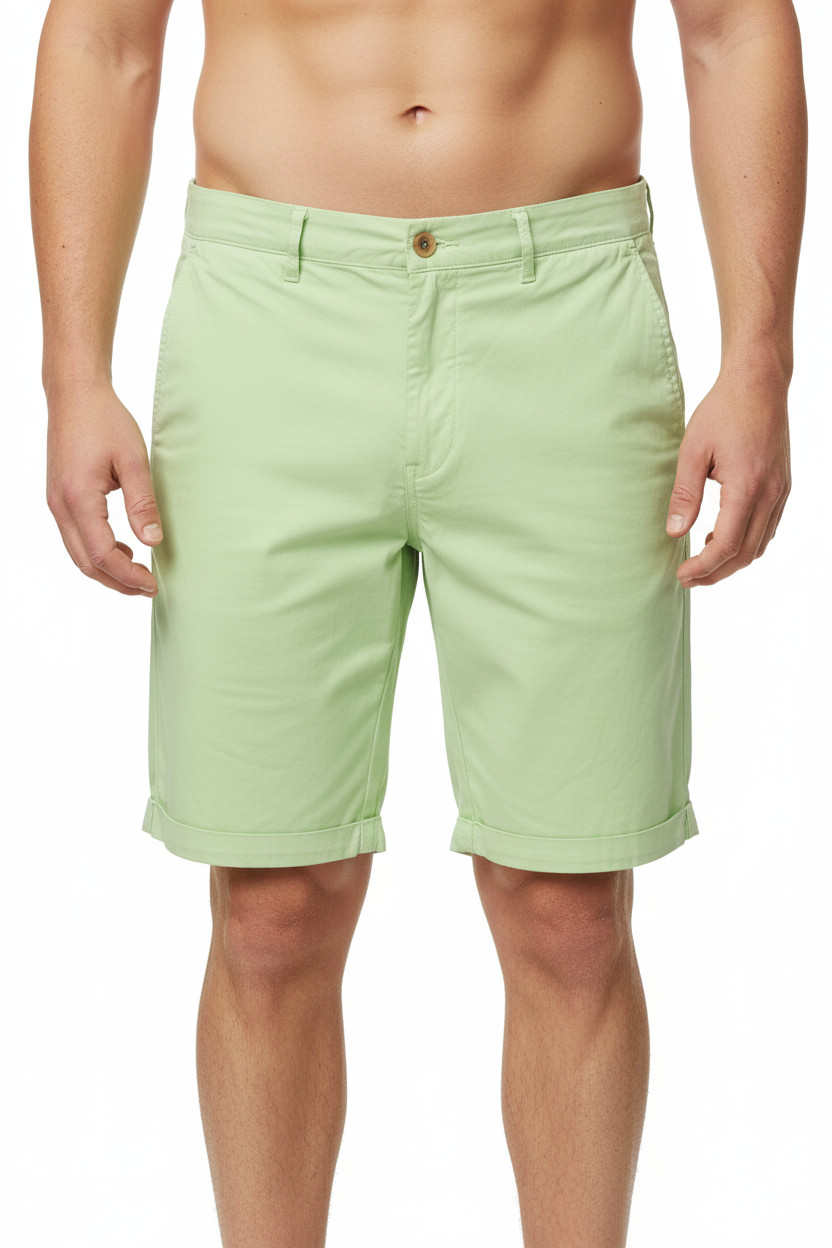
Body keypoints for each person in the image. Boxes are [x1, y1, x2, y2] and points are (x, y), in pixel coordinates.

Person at [29, 0, 806, 1242]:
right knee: (271, 906)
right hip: (267, 317)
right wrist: (73, 373)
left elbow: (732, 27)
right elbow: (103, 39)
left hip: (564, 310)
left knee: (568, 910)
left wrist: (759, 358)